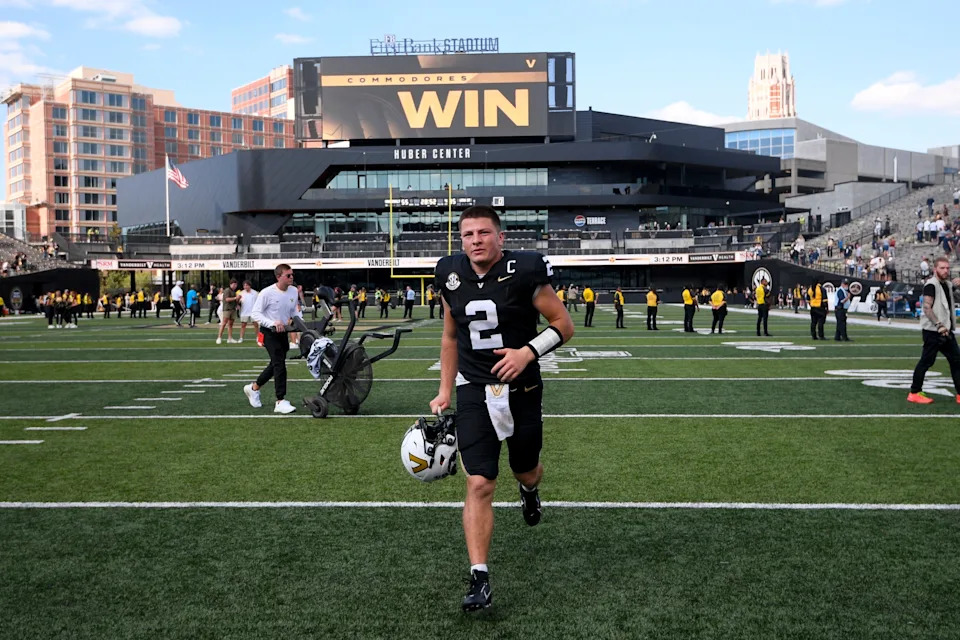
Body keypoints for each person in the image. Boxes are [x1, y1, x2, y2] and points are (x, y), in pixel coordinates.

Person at [429, 206, 574, 612]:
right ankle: (479, 577)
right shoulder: (449, 272)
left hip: (522, 387)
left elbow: (563, 324)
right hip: (474, 389)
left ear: (500, 237)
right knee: (479, 482)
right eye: (468, 234)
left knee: (525, 468)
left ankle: (529, 491)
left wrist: (527, 352)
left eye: (484, 233)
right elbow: (449, 336)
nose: (476, 240)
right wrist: (444, 389)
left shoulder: (525, 270)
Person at [243, 264, 300, 414]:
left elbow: (294, 310)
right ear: (278, 277)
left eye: (292, 275)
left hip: (283, 332)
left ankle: (254, 388)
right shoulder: (267, 293)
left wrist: (299, 322)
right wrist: (272, 323)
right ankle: (280, 400)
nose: (291, 277)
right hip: (269, 332)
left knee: (276, 363)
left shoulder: (293, 291)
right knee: (279, 364)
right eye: (288, 275)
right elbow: (256, 314)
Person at [907, 257, 960, 404]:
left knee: (956, 361)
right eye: (942, 268)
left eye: (947, 268)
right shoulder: (931, 285)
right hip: (933, 331)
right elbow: (926, 307)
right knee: (926, 361)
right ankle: (914, 392)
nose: (946, 271)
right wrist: (938, 325)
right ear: (935, 269)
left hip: (946, 331)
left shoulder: (947, 285)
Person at [215, 279, 239, 344]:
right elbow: (227, 299)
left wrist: (237, 302)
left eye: (236, 284)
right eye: (233, 284)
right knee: (224, 323)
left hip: (233, 309)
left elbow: (234, 300)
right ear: (230, 284)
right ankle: (219, 337)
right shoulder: (227, 290)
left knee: (230, 324)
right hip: (227, 309)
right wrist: (235, 298)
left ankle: (230, 338)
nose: (235, 286)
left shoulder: (234, 291)